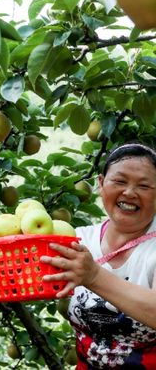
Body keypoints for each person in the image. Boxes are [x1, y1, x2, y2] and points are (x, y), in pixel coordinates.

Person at [41, 142, 156, 369]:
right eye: (120, 181)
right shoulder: (77, 240)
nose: (129, 192)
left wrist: (94, 275)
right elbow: (36, 277)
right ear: (101, 184)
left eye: (144, 186)